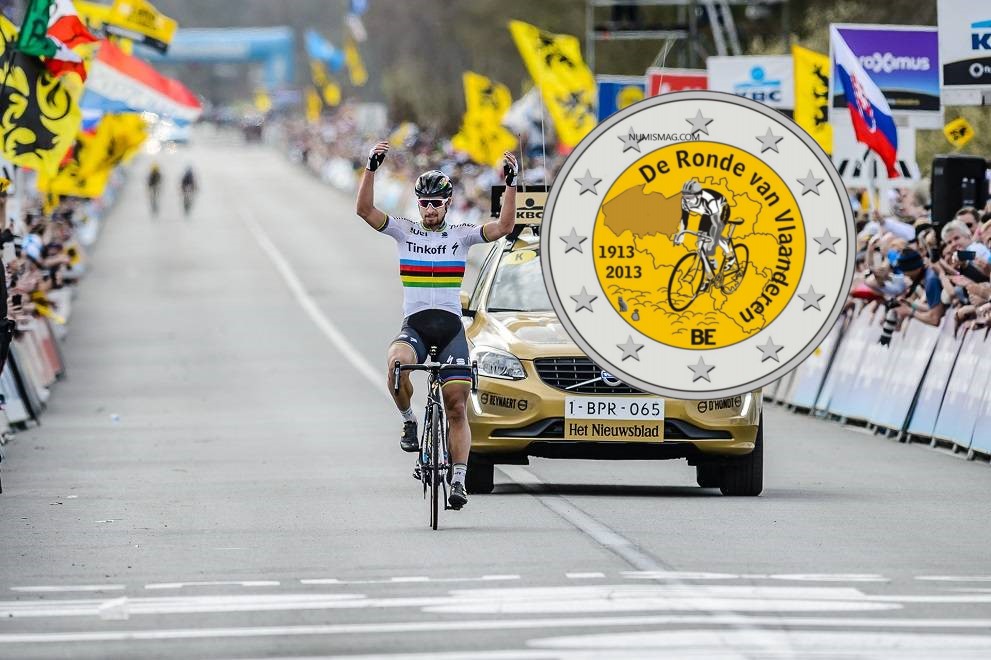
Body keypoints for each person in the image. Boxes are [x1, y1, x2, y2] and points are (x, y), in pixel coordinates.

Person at [355, 140, 518, 511]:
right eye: (424, 203)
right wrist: (371, 168)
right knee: (396, 366)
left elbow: (505, 225)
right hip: (415, 325)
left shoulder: (461, 235)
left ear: (446, 204)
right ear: (418, 203)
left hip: (450, 331)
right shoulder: (403, 231)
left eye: (436, 203)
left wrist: (510, 185)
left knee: (456, 406)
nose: (429, 210)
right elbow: (364, 209)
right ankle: (409, 421)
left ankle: (458, 481)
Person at [674, 178, 734, 271]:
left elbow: (716, 225)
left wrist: (712, 246)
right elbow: (684, 219)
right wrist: (681, 235)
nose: (687, 200)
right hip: (706, 213)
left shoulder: (709, 200)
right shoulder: (684, 201)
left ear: (698, 196)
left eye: (689, 198)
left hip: (720, 210)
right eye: (684, 197)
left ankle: (730, 256)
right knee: (701, 243)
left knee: (713, 237)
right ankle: (710, 270)